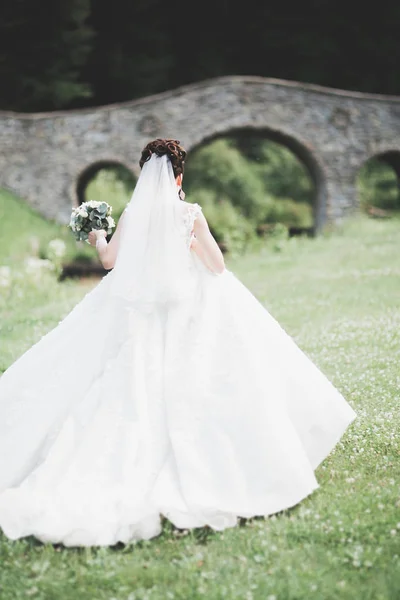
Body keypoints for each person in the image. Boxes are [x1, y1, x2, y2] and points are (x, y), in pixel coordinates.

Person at [0, 138, 357, 547]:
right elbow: (218, 267)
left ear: (145, 176)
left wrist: (99, 236)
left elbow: (110, 262)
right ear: (179, 177)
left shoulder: (134, 214)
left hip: (138, 315)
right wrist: (187, 243)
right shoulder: (191, 213)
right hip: (188, 309)